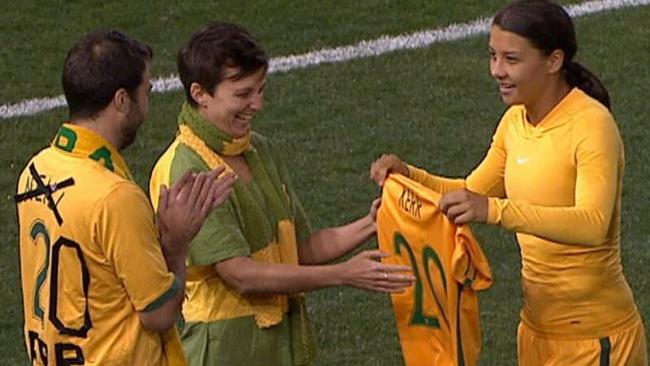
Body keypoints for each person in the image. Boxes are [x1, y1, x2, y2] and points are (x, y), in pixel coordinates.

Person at [370, 0, 647, 364]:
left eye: (511, 59)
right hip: (535, 334)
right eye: (493, 56)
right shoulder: (515, 122)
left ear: (554, 61)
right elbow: (470, 191)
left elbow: (593, 224)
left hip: (595, 341)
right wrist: (410, 178)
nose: (496, 70)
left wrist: (495, 210)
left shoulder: (591, 126)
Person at [149, 22, 414, 366]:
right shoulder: (186, 168)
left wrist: (373, 222)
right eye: (243, 94)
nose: (257, 104)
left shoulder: (260, 151)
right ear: (200, 94)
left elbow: (300, 250)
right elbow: (241, 275)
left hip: (278, 345)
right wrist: (343, 274)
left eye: (261, 89)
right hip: (225, 352)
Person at [14, 30, 235, 366]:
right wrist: (176, 245)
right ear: (121, 100)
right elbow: (159, 314)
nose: (147, 105)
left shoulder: (35, 170)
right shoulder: (115, 197)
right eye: (145, 92)